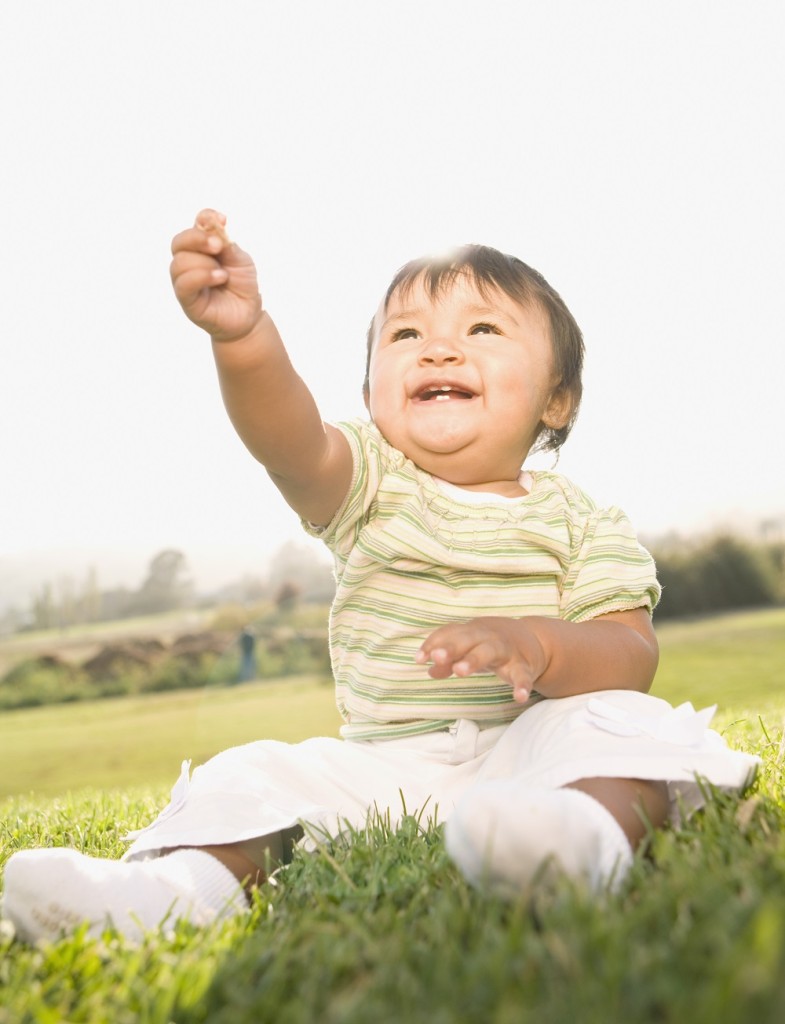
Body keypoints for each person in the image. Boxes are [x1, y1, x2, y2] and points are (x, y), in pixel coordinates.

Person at [1, 211, 758, 943]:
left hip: (533, 748)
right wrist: (244, 340)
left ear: (555, 399)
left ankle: (575, 842)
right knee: (251, 773)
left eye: (483, 329)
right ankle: (173, 894)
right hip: (380, 768)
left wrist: (539, 646)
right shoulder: (368, 484)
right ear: (370, 396)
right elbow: (290, 442)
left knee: (624, 729)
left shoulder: (584, 521)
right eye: (405, 335)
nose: (437, 350)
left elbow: (630, 654)